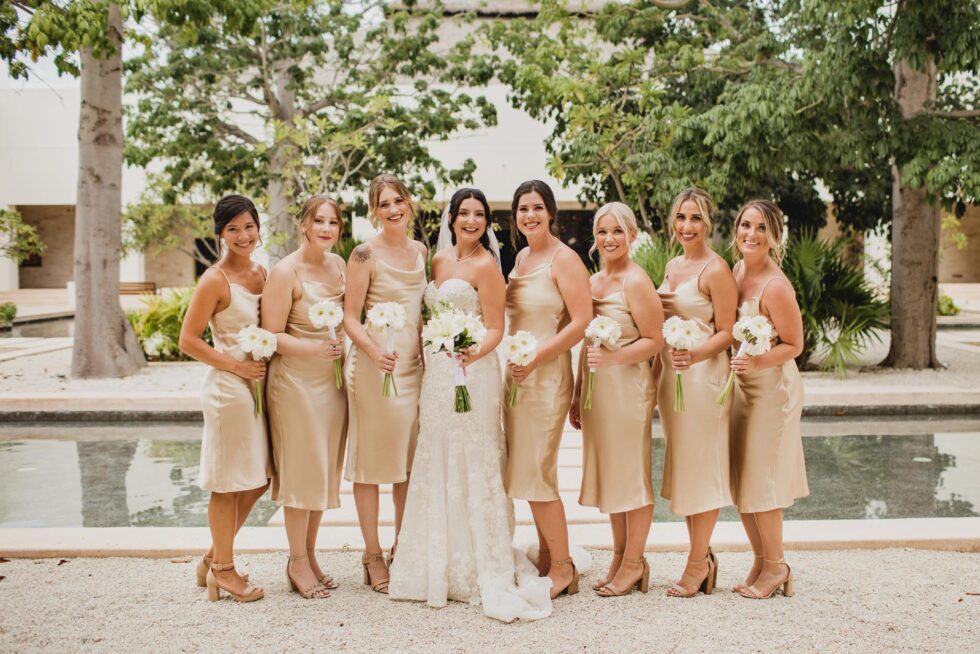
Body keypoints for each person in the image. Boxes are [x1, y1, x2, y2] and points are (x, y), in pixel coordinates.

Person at [389, 188, 552, 621]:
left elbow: (496, 328)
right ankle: (434, 560)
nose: (472, 221)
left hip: (474, 373)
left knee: (474, 454)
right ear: (452, 218)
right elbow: (427, 318)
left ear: (486, 223)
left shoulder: (487, 267)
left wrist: (471, 352)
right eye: (465, 213)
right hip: (438, 376)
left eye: (480, 215)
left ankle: (480, 560)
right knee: (436, 451)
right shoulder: (438, 261)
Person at [178, 194, 271, 603]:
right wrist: (236, 367)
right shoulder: (214, 279)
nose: (243, 235)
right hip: (227, 391)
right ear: (220, 233)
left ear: (258, 228)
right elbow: (188, 340)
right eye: (233, 229)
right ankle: (225, 571)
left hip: (257, 389)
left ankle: (213, 559)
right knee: (227, 484)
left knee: (260, 478)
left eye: (249, 226)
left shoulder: (262, 273)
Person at [569, 202, 664, 597]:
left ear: (632, 235)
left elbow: (654, 341)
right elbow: (587, 342)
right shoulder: (592, 282)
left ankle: (635, 562)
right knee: (613, 476)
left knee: (632, 476)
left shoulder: (636, 282)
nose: (609, 239)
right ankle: (621, 555)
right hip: (598, 393)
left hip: (628, 391)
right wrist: (578, 392)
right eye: (603, 231)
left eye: (617, 231)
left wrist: (614, 358)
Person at [503, 180, 592, 599]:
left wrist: (537, 357)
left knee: (538, 472)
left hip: (547, 376)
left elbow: (582, 321)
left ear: (551, 212)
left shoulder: (564, 259)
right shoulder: (521, 257)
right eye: (523, 209)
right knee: (526, 470)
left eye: (537, 207)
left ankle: (562, 565)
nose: (530, 215)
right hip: (518, 378)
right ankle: (546, 554)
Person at [343, 174, 427, 594]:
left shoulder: (421, 251)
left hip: (412, 368)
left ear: (409, 203)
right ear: (374, 211)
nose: (393, 209)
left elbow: (421, 313)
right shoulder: (363, 254)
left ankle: (402, 545)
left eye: (399, 200)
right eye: (384, 203)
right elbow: (349, 317)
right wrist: (376, 354)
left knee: (406, 464)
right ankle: (372, 553)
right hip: (375, 368)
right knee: (371, 462)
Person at [262, 195, 347, 599]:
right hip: (295, 384)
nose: (326, 229)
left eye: (333, 222)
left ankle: (310, 555)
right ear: (304, 225)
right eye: (319, 221)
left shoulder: (340, 265)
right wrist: (315, 349)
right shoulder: (285, 272)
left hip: (332, 385)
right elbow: (271, 336)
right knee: (300, 472)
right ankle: (296, 560)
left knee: (320, 472)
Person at [655, 188, 737, 598]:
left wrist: (696, 354)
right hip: (672, 381)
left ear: (708, 224)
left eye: (695, 219)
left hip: (703, 380)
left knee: (701, 469)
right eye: (681, 217)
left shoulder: (716, 270)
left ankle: (696, 562)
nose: (687, 226)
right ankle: (700, 555)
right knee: (686, 469)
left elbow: (727, 331)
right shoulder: (672, 265)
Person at [729, 199, 808, 599]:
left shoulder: (775, 286)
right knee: (744, 477)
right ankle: (760, 560)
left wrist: (758, 362)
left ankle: (777, 565)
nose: (752, 234)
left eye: (761, 227)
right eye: (746, 225)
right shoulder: (737, 271)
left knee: (763, 478)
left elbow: (795, 344)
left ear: (774, 235)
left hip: (773, 390)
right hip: (743, 388)